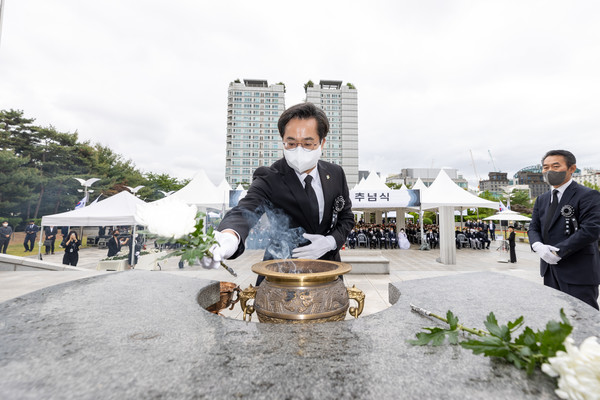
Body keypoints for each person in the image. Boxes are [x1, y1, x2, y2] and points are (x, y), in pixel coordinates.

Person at [200, 102, 354, 284]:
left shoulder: (335, 174)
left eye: (307, 143)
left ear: (322, 143)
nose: (299, 150)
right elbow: (245, 210)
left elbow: (346, 218)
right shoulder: (270, 177)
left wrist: (330, 242)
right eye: (291, 143)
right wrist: (229, 237)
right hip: (281, 275)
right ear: (282, 141)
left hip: (328, 273)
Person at [528, 150, 600, 310]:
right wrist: (538, 246)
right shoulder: (542, 199)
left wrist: (558, 252)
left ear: (571, 168)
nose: (549, 171)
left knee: (583, 317)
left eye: (555, 166)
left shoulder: (588, 195)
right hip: (549, 270)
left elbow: (591, 230)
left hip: (578, 271)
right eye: (545, 167)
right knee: (556, 316)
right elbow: (533, 227)